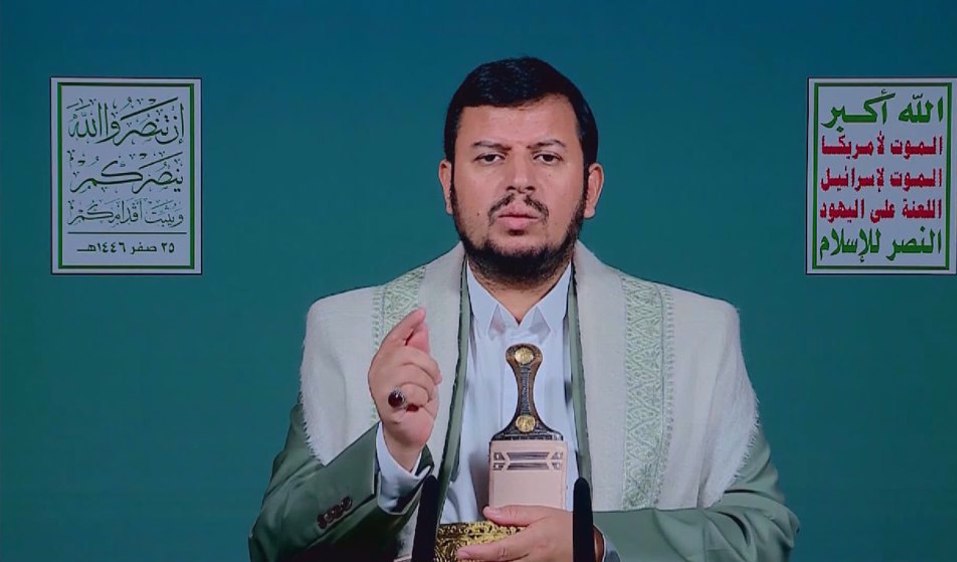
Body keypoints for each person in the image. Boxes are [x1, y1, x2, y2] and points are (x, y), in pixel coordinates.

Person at [248, 56, 798, 562]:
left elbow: (760, 532)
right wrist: (390, 455)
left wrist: (600, 544)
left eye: (547, 157)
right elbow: (275, 544)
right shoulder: (350, 331)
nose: (519, 181)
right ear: (448, 185)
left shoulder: (696, 335)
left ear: (590, 187)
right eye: (490, 157)